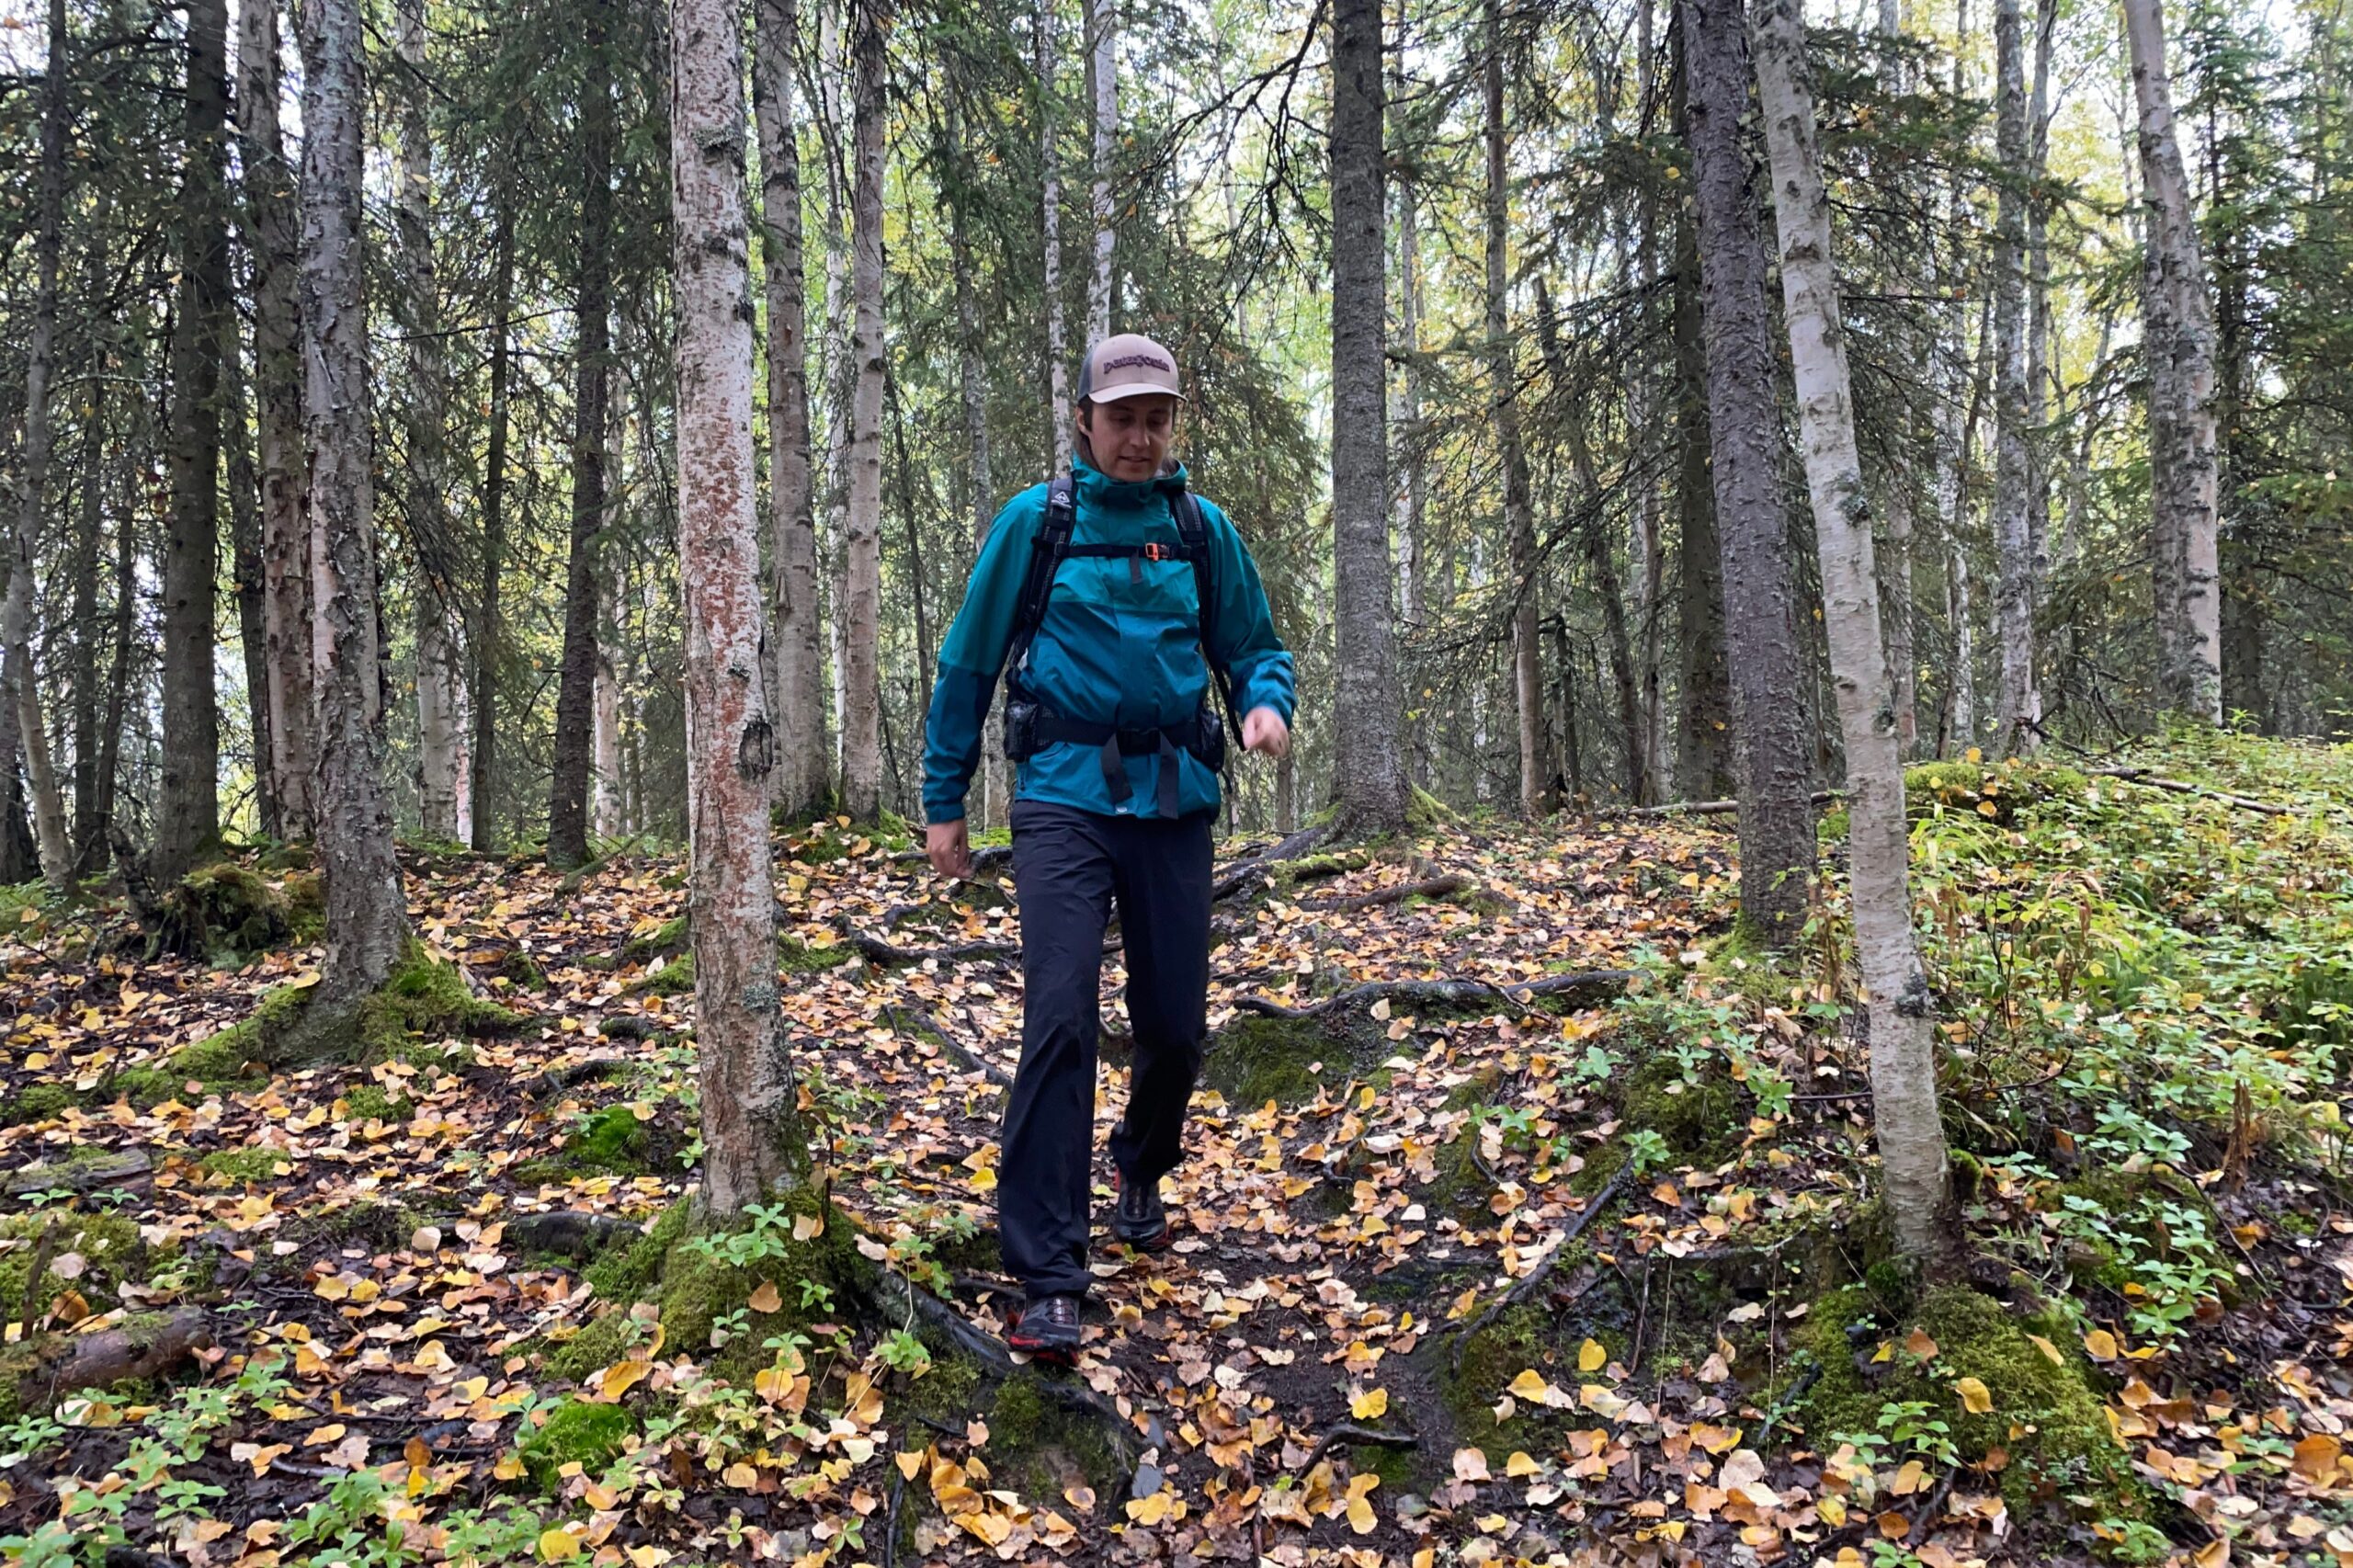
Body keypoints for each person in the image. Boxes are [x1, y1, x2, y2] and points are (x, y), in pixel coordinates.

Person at [921, 333, 1296, 1364]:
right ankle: (1048, 1274)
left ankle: (1140, 1162)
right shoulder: (1035, 524)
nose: (1139, 435)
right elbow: (968, 661)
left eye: (1156, 417)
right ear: (1084, 419)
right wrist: (942, 796)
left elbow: (1255, 647)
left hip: (1175, 801)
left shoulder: (1199, 530)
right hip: (1061, 803)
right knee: (1058, 1019)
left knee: (1174, 1027)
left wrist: (1264, 705)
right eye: (1122, 416)